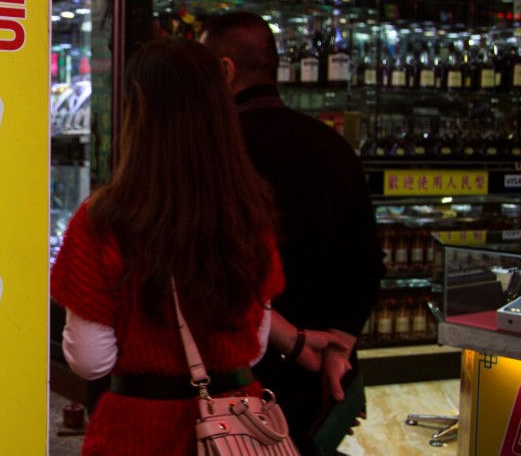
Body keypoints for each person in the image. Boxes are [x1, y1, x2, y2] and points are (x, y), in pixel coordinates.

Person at [50, 37, 347, 455]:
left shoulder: (103, 220)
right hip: (240, 428)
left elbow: (91, 360)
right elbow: (256, 344)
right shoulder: (250, 211)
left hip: (138, 431)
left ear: (138, 109)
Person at [200, 11, 386, 454]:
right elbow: (367, 266)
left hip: (244, 383)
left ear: (224, 71)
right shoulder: (332, 145)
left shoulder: (217, 153)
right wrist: (338, 349)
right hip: (323, 380)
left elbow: (214, 275)